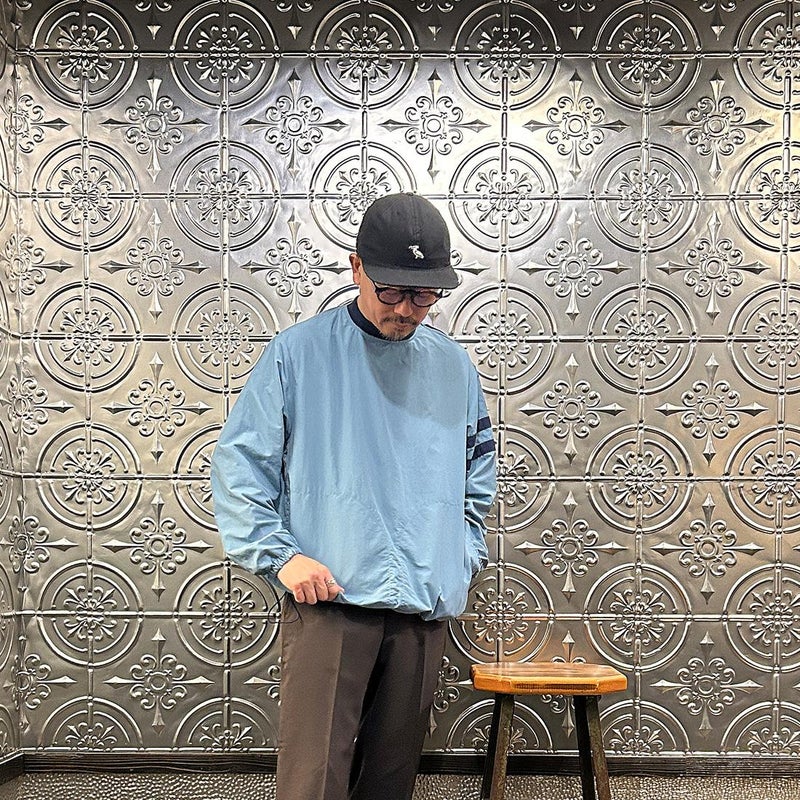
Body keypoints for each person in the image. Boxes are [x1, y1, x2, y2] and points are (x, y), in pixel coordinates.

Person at [211, 192, 497, 800]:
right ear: (356, 267)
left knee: (391, 782)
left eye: (424, 295)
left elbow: (478, 472)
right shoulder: (298, 354)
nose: (407, 309)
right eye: (391, 291)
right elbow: (240, 467)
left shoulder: (454, 367)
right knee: (314, 782)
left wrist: (461, 554)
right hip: (329, 602)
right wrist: (281, 557)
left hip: (422, 603)